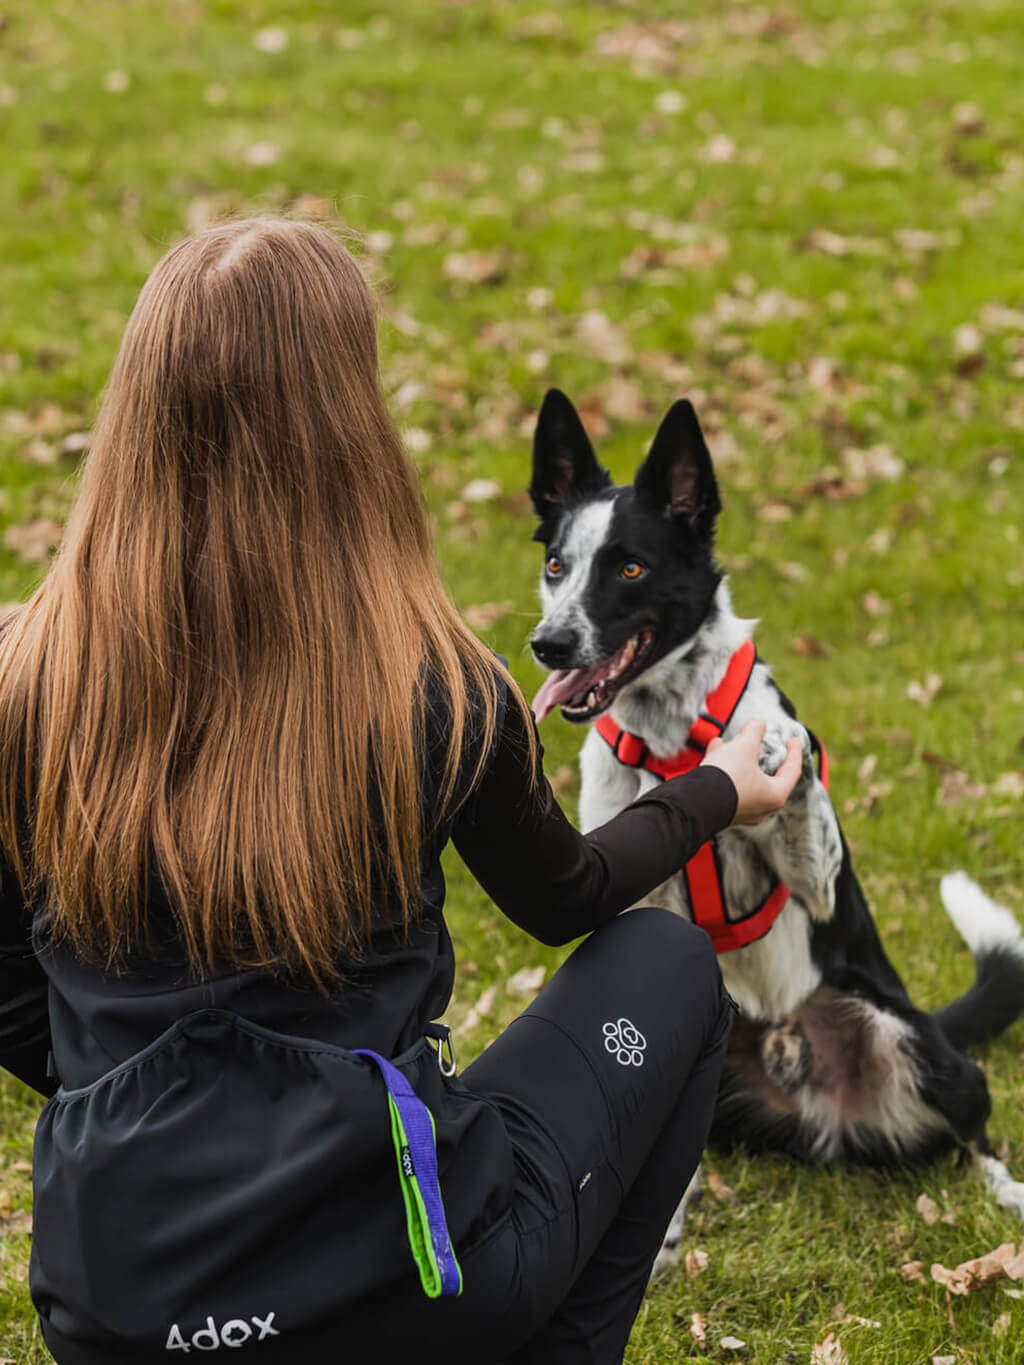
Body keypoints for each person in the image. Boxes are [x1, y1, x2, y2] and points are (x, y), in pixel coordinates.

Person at [0, 218, 801, 1365]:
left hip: (117, 1309)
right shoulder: (436, 689)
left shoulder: (20, 671)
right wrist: (718, 789)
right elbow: (568, 895)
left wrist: (146, 1102)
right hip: (409, 1291)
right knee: (668, 963)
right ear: (347, 428)